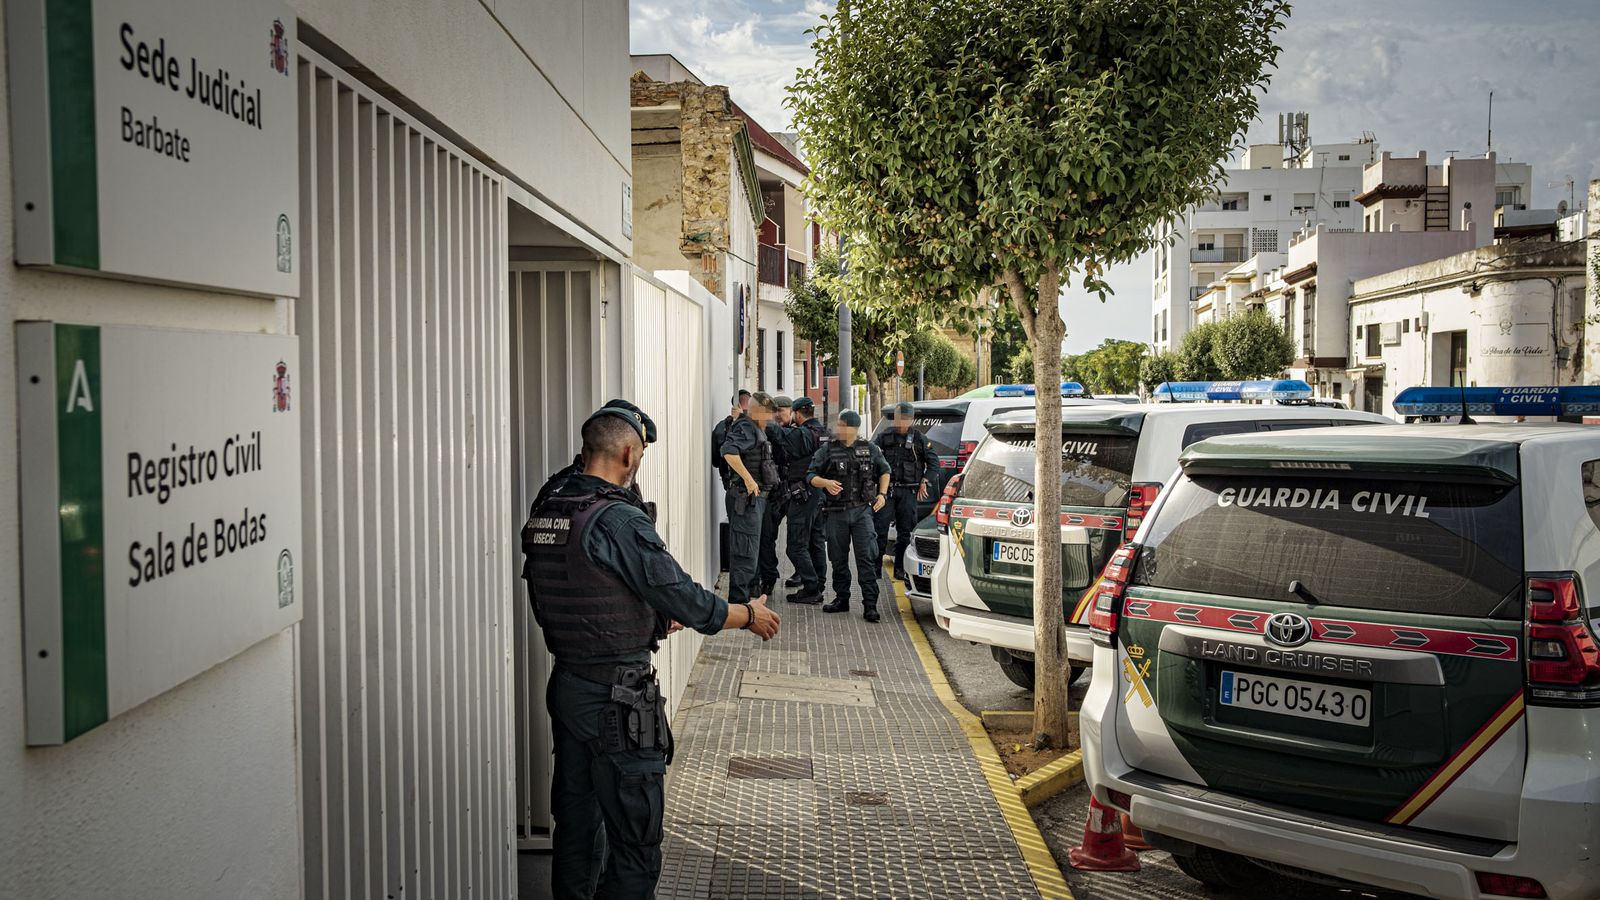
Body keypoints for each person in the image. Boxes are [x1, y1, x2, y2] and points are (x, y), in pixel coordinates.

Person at [522, 403, 781, 900]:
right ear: (627, 453)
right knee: (636, 843)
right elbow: (682, 593)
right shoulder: (617, 518)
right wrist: (746, 614)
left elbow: (582, 585)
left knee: (577, 829)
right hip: (616, 704)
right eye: (639, 454)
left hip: (569, 686)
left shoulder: (550, 503)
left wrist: (650, 618)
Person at [808, 409, 890, 622]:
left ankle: (870, 604)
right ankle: (841, 598)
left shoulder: (870, 449)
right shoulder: (828, 450)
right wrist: (825, 483)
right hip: (836, 513)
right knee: (838, 559)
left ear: (852, 428)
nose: (838, 428)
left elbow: (885, 471)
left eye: (842, 425)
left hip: (862, 511)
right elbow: (811, 475)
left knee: (866, 558)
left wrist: (882, 495)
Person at [720, 391, 780, 607]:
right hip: (747, 499)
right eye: (768, 414)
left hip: (757, 500)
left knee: (752, 550)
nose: (770, 419)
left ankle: (745, 599)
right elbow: (728, 451)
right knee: (744, 551)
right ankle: (738, 605)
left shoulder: (757, 429)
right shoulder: (746, 427)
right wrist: (748, 480)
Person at [873, 401, 939, 582]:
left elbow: (934, 464)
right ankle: (875, 568)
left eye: (907, 419)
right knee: (879, 531)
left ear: (911, 419)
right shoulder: (883, 438)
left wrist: (925, 481)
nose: (902, 422)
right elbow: (871, 460)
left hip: (909, 492)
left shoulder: (919, 439)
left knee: (905, 532)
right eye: (900, 418)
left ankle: (900, 568)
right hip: (887, 492)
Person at [775, 397, 825, 603]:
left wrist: (762, 418)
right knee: (816, 542)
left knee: (795, 546)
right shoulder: (824, 433)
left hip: (803, 495)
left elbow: (779, 434)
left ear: (797, 413)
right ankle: (819, 583)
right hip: (820, 495)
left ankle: (812, 588)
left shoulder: (802, 434)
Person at [756, 396, 795, 597]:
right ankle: (768, 578)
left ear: (792, 412)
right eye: (775, 411)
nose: (778, 414)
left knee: (800, 539)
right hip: (773, 493)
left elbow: (782, 437)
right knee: (767, 537)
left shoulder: (796, 432)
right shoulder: (765, 430)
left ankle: (805, 577)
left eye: (782, 410)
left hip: (794, 491)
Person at [709, 390, 752, 485]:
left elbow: (715, 461)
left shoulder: (721, 427)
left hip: (732, 484)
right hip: (750, 485)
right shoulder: (755, 426)